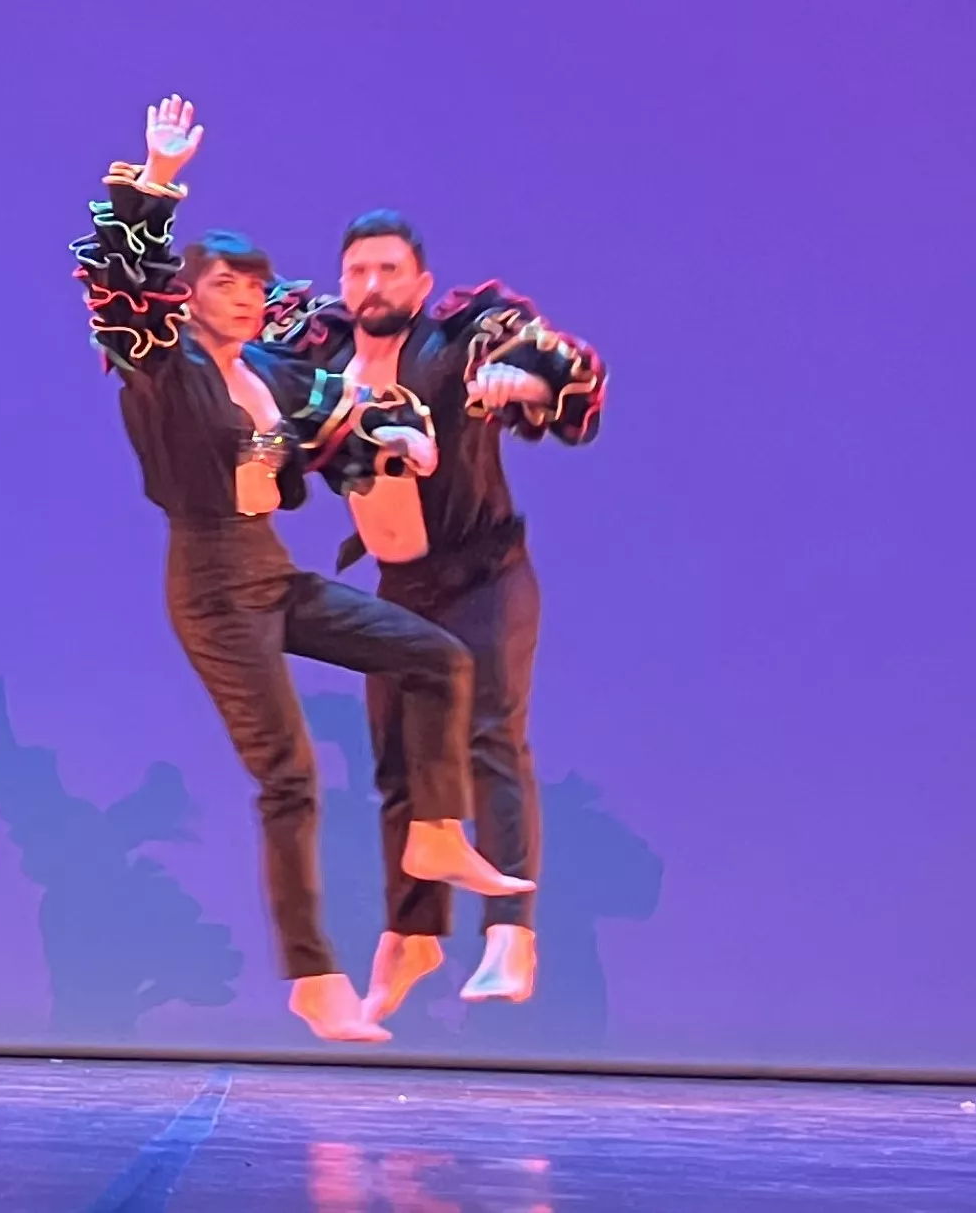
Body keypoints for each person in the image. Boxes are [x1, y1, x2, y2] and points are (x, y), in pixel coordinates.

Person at [70, 95, 528, 1043]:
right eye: (227, 286)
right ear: (187, 297)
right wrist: (157, 179)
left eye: (255, 286)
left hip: (270, 575)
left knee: (439, 659)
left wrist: (407, 433)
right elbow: (119, 285)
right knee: (290, 776)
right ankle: (315, 980)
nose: (246, 299)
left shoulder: (268, 374)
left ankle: (438, 834)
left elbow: (347, 417)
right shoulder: (163, 369)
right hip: (210, 586)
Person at [264, 208, 605, 1017]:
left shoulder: (456, 340)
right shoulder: (323, 349)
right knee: (400, 766)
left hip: (485, 579)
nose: (371, 285)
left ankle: (510, 934)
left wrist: (529, 378)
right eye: (357, 272)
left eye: (389, 271)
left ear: (418, 282)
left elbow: (550, 358)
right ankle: (413, 935)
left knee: (490, 740)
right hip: (403, 590)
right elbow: (233, 336)